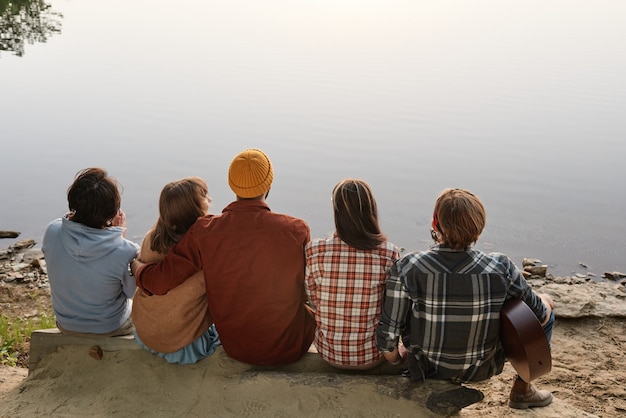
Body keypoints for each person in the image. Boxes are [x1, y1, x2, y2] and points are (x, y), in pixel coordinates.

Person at [132, 148, 315, 365]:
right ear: (268, 186)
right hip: (290, 347)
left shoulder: (205, 231)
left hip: (236, 348)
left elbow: (159, 282)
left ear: (231, 185)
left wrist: (136, 267)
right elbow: (306, 288)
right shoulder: (296, 230)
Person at [376, 188, 555, 409]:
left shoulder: (408, 266)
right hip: (481, 369)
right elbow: (539, 315)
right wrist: (546, 302)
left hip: (426, 368)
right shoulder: (500, 266)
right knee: (542, 310)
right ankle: (523, 389)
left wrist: (396, 359)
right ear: (479, 225)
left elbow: (388, 332)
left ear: (435, 224)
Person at [305, 179, 401, 370]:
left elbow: (312, 298)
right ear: (371, 210)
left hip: (329, 354)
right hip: (372, 356)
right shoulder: (389, 253)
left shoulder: (315, 250)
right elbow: (392, 308)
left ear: (336, 212)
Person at [131, 177, 221, 364]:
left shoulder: (151, 239)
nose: (210, 200)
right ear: (193, 210)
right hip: (183, 343)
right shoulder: (204, 250)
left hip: (146, 332)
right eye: (204, 197)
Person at [42, 167, 139, 336]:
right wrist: (118, 237)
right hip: (110, 326)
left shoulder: (52, 231)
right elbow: (132, 293)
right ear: (113, 212)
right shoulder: (126, 251)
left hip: (66, 323)